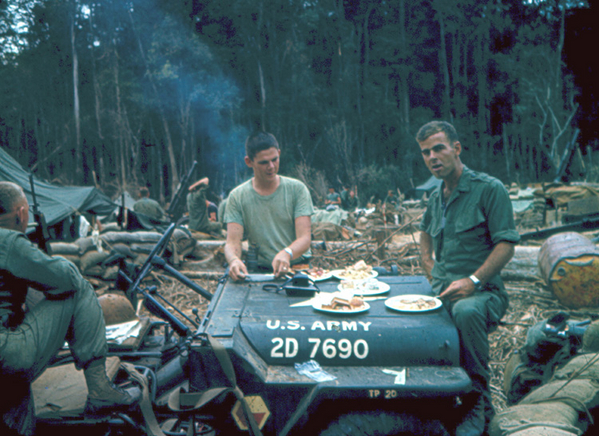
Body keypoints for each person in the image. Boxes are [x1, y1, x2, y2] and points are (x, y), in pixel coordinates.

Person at [0, 182, 140, 435]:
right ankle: (100, 389)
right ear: (21, 213)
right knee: (80, 289)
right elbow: (67, 281)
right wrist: (41, 260)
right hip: (6, 355)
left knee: (17, 401)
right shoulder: (8, 241)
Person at [416, 121, 519, 436]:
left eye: (439, 148)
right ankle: (438, 400)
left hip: (483, 294)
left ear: (456, 148)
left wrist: (473, 281)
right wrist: (428, 265)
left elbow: (507, 244)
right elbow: (425, 234)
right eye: (425, 152)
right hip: (445, 290)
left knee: (465, 311)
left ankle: (478, 403)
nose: (433, 157)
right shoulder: (437, 196)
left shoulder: (488, 189)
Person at [224, 131, 314, 281]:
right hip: (260, 271)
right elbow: (232, 241)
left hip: (297, 268)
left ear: (279, 153)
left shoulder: (297, 189)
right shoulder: (237, 197)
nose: (271, 166)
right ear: (249, 162)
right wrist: (234, 260)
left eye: (275, 159)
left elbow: (305, 238)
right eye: (264, 162)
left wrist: (287, 252)